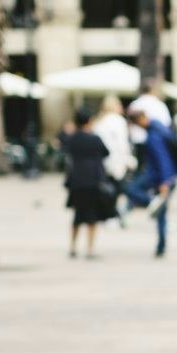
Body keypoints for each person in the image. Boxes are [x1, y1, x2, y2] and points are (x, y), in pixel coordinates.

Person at [124, 106, 177, 258]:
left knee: (131, 189)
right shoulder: (159, 128)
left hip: (159, 177)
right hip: (165, 176)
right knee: (161, 212)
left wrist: (165, 182)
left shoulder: (154, 135)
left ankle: (151, 201)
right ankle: (161, 245)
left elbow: (163, 160)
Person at [62, 107, 113, 259]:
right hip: (93, 180)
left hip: (76, 180)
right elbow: (106, 153)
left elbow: (66, 151)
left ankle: (73, 247)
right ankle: (90, 249)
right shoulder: (94, 139)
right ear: (89, 121)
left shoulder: (72, 138)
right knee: (92, 217)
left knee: (78, 216)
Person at [93, 95, 135, 222]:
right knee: (118, 189)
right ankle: (115, 214)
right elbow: (122, 144)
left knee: (107, 189)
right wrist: (128, 159)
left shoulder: (100, 121)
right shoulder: (118, 121)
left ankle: (108, 214)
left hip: (103, 161)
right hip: (116, 160)